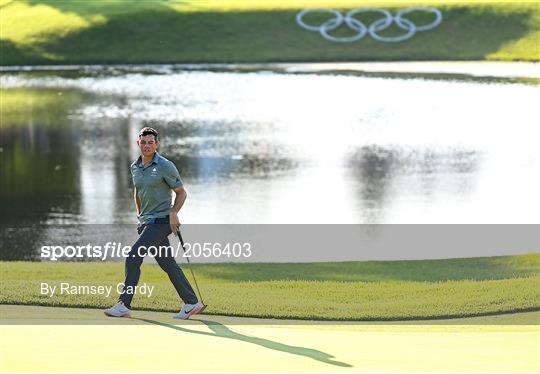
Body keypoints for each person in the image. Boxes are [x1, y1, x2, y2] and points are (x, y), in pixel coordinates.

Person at [104, 127, 204, 319]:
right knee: (168, 264)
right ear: (138, 143)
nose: (147, 145)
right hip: (147, 222)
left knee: (133, 256)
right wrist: (139, 215)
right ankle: (191, 301)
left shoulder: (165, 166)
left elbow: (181, 192)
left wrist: (174, 212)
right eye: (144, 142)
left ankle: (124, 304)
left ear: (156, 144)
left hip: (161, 222)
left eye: (151, 142)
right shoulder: (135, 166)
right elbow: (137, 192)